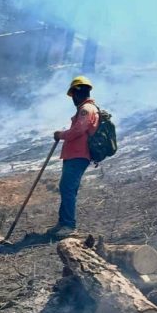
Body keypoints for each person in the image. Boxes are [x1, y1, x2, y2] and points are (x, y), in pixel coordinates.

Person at [49, 76, 99, 238]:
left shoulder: (86, 109)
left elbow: (78, 130)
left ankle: (69, 225)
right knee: (67, 188)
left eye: (73, 95)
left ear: (77, 93)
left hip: (78, 155)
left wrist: (61, 135)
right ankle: (63, 222)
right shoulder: (86, 109)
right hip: (74, 155)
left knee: (68, 188)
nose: (73, 99)